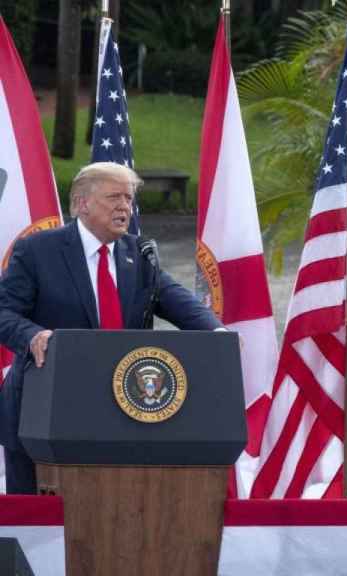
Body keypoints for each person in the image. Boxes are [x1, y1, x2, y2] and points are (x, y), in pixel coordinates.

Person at [0, 162, 223, 494]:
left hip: (119, 409)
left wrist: (218, 335)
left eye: (129, 199)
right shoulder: (38, 250)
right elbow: (4, 311)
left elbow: (174, 297)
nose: (125, 207)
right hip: (44, 407)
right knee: (39, 521)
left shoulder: (139, 253)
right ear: (81, 204)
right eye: (114, 197)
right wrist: (32, 335)